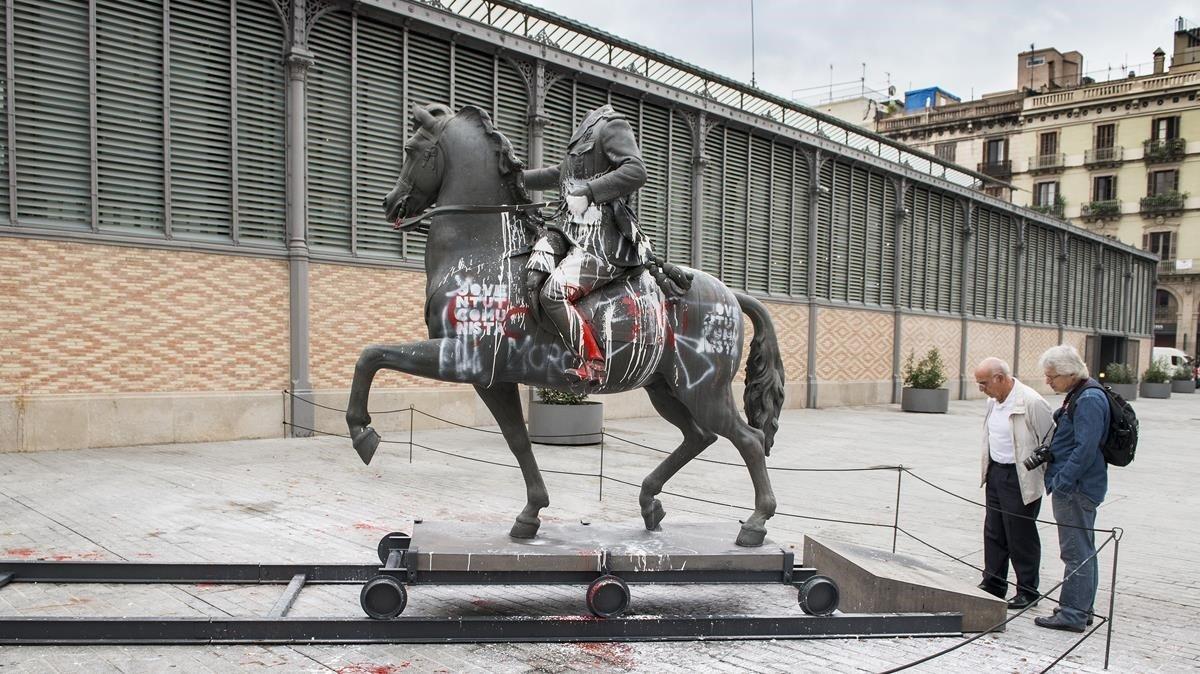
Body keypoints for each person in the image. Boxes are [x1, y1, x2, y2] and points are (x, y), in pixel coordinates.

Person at [522, 104, 649, 384]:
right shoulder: (582, 135)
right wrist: (513, 178)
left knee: (554, 293)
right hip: (570, 232)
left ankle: (592, 362)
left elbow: (636, 171)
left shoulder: (612, 124)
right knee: (531, 269)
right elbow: (558, 174)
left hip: (602, 241)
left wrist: (591, 192)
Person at [1035, 344, 1109, 633]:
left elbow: (1085, 448)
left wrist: (1062, 482)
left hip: (1076, 488)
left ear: (1068, 374)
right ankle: (1080, 607)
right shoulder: (1082, 393)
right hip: (1078, 485)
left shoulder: (1088, 398)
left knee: (1076, 551)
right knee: (1083, 549)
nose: (1048, 381)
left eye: (1052, 376)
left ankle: (1073, 614)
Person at [974, 357, 1054, 611]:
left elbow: (1051, 439)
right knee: (994, 530)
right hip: (996, 472)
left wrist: (1039, 473)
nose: (981, 388)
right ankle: (994, 582)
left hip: (1020, 476)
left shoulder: (1031, 402)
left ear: (999, 378)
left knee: (1020, 534)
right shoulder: (992, 401)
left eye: (984, 383)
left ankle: (1028, 590)